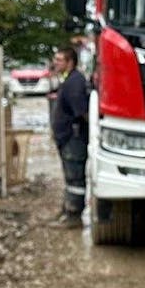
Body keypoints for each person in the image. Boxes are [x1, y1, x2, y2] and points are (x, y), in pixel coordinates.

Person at [47, 46, 89, 228]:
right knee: (69, 176)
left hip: (74, 138)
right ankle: (66, 210)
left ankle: (73, 216)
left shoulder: (75, 82)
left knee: (75, 178)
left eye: (59, 60)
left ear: (70, 62)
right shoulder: (68, 80)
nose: (55, 63)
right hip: (66, 138)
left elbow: (81, 111)